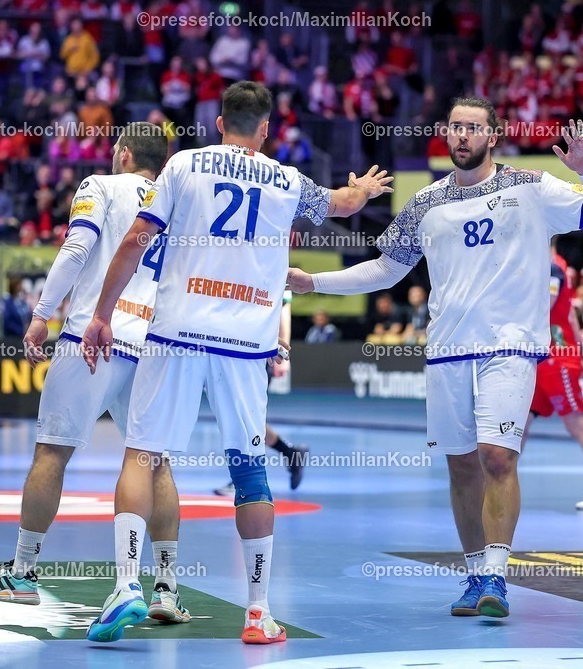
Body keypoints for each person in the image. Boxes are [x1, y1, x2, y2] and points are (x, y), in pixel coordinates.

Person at [80, 81, 392, 644]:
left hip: (175, 332)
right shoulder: (286, 179)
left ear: (219, 123)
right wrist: (363, 190)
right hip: (246, 344)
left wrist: (101, 314)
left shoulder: (182, 166)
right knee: (250, 470)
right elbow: (342, 205)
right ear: (267, 129)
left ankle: (127, 585)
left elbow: (134, 241)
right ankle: (256, 613)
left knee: (144, 455)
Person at [288, 98, 583, 618]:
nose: (462, 135)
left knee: (497, 457)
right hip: (447, 351)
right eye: (456, 127)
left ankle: (496, 577)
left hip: (509, 344)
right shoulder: (425, 202)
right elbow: (384, 270)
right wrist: (314, 282)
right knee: (462, 466)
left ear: (494, 135)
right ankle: (474, 576)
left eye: (473, 128)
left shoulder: (530, 186)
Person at [0, 124, 192, 626]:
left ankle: (24, 574)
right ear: (160, 162)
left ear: (122, 153)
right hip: (153, 344)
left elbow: (76, 252)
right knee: (153, 462)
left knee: (52, 451)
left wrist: (41, 315)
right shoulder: (175, 205)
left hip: (90, 339)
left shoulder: (98, 186)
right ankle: (165, 588)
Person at [522, 241, 583, 511]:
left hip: (558, 358)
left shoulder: (552, 269)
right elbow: (570, 314)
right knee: (518, 423)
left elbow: (547, 304)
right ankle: (498, 479)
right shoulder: (547, 268)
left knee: (576, 424)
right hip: (540, 357)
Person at [214, 291, 310, 496]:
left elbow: (284, 309)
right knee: (245, 417)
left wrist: (284, 354)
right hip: (240, 352)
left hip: (260, 353)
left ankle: (242, 478)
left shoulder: (273, 264)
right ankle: (291, 453)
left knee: (244, 417)